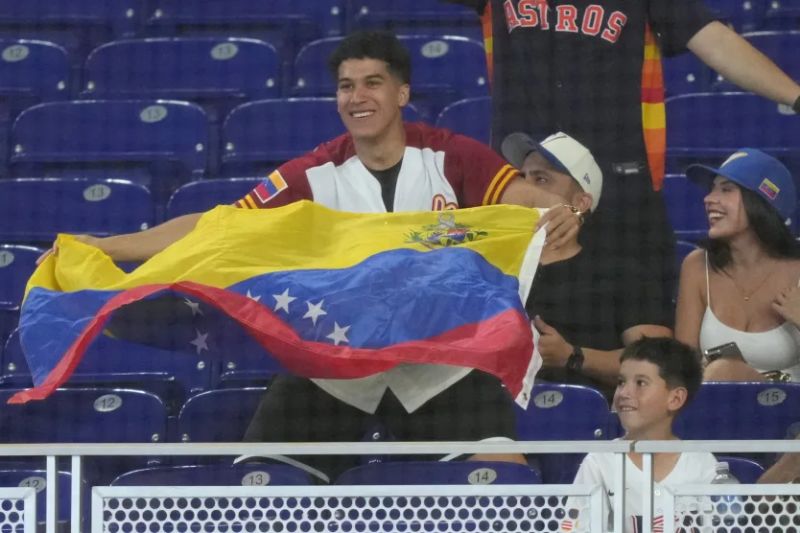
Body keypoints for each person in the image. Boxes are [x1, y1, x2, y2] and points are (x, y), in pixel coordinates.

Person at [40, 31, 582, 482]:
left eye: (373, 82)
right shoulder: (312, 172)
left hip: (439, 363)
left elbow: (523, 201)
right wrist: (109, 247)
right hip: (333, 362)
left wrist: (558, 211)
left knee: (506, 479)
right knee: (260, 487)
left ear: (402, 93)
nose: (357, 96)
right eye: (346, 86)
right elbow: (218, 228)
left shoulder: (451, 154)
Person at [444, 0, 800, 301]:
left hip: (622, 197)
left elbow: (715, 40)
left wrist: (796, 97)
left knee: (636, 341)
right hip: (526, 194)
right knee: (521, 336)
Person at [502, 131, 672, 399]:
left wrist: (573, 356)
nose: (525, 189)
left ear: (581, 203)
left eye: (542, 179)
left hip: (588, 426)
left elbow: (657, 362)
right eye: (522, 178)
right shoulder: (491, 267)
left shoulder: (622, 274)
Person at [674, 149, 800, 382]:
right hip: (718, 409)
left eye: (726, 189)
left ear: (761, 202)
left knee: (724, 370)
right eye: (712, 188)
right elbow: (682, 367)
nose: (709, 198)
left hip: (791, 412)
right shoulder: (696, 266)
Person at [572, 337, 718, 532]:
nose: (624, 393)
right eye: (621, 382)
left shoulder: (702, 465)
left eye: (640, 383)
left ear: (675, 398)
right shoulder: (599, 462)